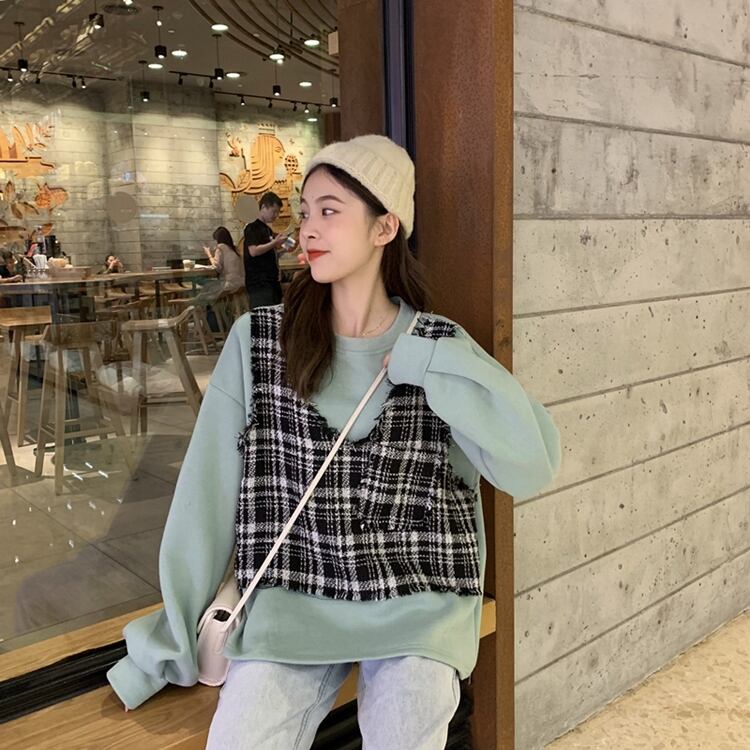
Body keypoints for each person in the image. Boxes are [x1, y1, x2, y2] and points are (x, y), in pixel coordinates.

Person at [107, 135, 561, 748]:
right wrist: (172, 639)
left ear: (384, 227)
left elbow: (531, 466)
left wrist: (432, 364)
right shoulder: (260, 341)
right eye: (305, 210)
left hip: (417, 604)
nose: (308, 229)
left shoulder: (438, 346)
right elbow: (205, 499)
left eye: (330, 210)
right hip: (290, 602)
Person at [242, 191, 287, 309]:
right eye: (274, 211)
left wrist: (284, 249)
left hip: (271, 281)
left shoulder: (267, 229)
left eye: (278, 212)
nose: (276, 215)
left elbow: (269, 254)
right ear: (263, 207)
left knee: (276, 313)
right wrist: (275, 243)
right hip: (259, 284)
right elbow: (253, 251)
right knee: (263, 316)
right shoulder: (252, 226)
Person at [203, 226, 245, 294]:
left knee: (207, 285)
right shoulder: (234, 249)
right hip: (241, 283)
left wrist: (208, 254)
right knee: (209, 285)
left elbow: (217, 267)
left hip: (229, 284)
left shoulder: (220, 248)